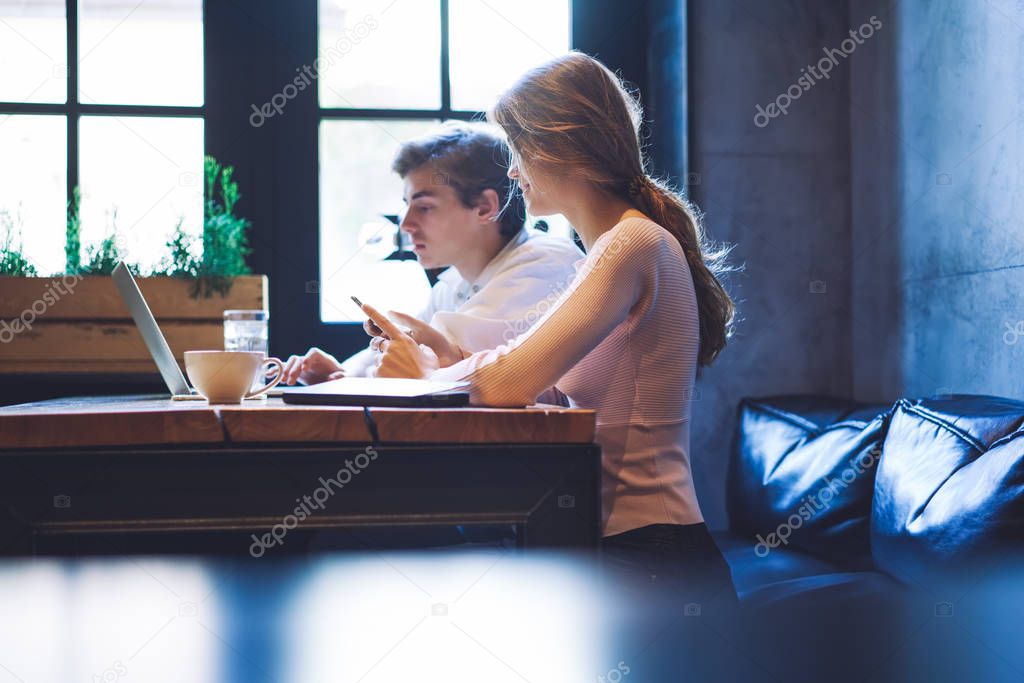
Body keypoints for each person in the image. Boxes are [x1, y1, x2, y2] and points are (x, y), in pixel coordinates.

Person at [359, 53, 738, 603]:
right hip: (624, 551)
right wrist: (440, 352)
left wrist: (422, 369)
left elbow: (505, 384)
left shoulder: (631, 244)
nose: (512, 171)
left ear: (559, 147)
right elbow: (547, 387)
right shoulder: (606, 252)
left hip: (652, 558)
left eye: (517, 152)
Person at [280, 121, 582, 385]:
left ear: (485, 207)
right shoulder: (452, 286)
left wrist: (354, 376)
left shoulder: (544, 264)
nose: (406, 224)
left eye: (424, 207)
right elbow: (402, 349)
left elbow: (437, 359)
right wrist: (341, 373)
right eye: (406, 205)